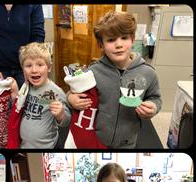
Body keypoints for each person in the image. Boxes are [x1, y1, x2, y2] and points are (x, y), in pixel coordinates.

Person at [67, 11, 162, 148]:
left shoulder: (148, 73)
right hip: (98, 138)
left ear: (132, 39)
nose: (119, 45)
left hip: (128, 141)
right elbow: (73, 91)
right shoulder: (93, 72)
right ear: (101, 45)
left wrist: (153, 107)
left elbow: (155, 98)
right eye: (111, 40)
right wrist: (71, 98)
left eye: (124, 38)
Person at [13, 42, 70, 149]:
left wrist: (60, 114)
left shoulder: (56, 92)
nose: (34, 70)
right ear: (23, 69)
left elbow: (66, 121)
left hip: (48, 146)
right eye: (29, 65)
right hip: (25, 145)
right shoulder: (26, 87)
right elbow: (17, 108)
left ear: (49, 67)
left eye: (40, 65)